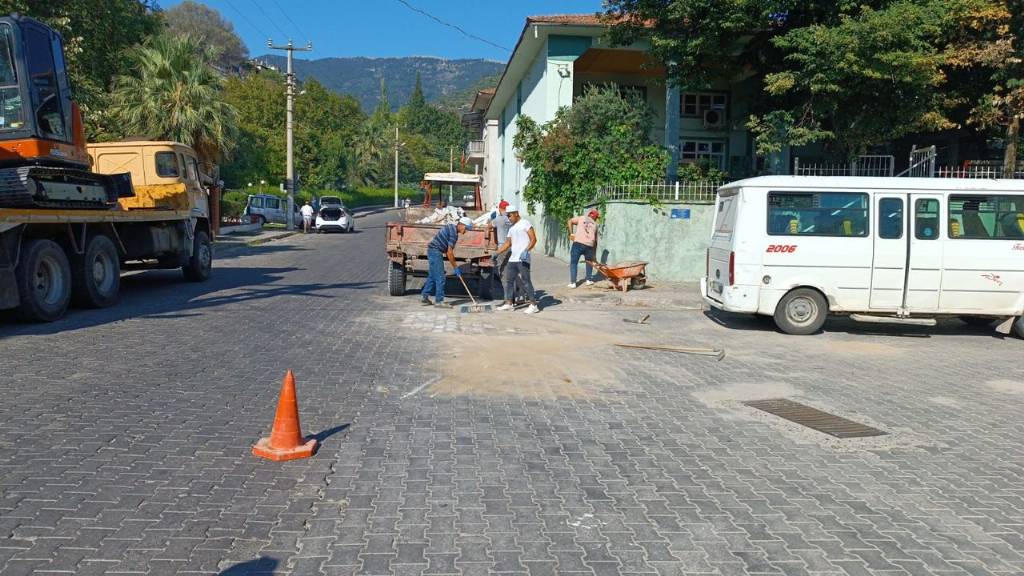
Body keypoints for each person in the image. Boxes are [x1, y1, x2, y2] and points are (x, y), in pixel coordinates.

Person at [495, 205, 540, 314]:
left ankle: (533, 305)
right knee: (509, 281)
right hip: (513, 259)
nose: (508, 218)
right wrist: (496, 253)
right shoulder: (511, 228)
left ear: (516, 213)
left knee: (526, 281)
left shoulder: (525, 223)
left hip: (523, 258)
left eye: (509, 215)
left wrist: (527, 250)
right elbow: (507, 243)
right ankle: (509, 304)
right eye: (507, 216)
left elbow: (533, 239)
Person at [421, 216, 474, 308]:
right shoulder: (454, 234)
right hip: (435, 251)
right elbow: (449, 253)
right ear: (461, 225)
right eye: (466, 228)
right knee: (440, 277)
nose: (465, 231)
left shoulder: (451, 227)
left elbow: (447, 251)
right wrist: (455, 267)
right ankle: (439, 301)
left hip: (432, 250)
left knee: (433, 276)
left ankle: (425, 297)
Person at [566, 209, 600, 288]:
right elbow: (595, 241)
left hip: (578, 243)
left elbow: (569, 221)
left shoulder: (581, 218)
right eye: (597, 217)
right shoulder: (595, 225)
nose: (596, 219)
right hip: (589, 246)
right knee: (589, 262)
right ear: (595, 217)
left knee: (574, 263)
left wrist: (571, 234)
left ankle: (573, 283)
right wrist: (594, 255)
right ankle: (588, 280)